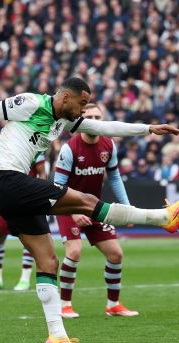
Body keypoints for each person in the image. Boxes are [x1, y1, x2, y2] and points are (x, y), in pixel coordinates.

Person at [0, 77, 179, 343]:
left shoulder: (63, 121)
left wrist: (148, 129)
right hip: (9, 181)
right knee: (86, 202)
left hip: (11, 190)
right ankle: (163, 218)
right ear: (66, 98)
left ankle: (57, 337)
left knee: (48, 261)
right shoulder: (32, 103)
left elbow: (104, 127)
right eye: (82, 103)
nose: (84, 111)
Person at [54, 104, 138, 318]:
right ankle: (65, 305)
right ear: (81, 120)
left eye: (97, 116)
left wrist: (127, 208)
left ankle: (113, 305)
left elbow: (115, 177)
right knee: (74, 251)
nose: (94, 120)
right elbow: (58, 187)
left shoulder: (108, 144)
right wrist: (73, 212)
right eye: (89, 116)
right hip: (67, 207)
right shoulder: (69, 149)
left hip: (93, 206)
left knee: (116, 254)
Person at [0, 153, 46, 291]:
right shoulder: (3, 150)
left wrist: (40, 196)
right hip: (6, 198)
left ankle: (24, 279)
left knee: (28, 238)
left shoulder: (34, 149)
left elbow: (42, 174)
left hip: (26, 200)